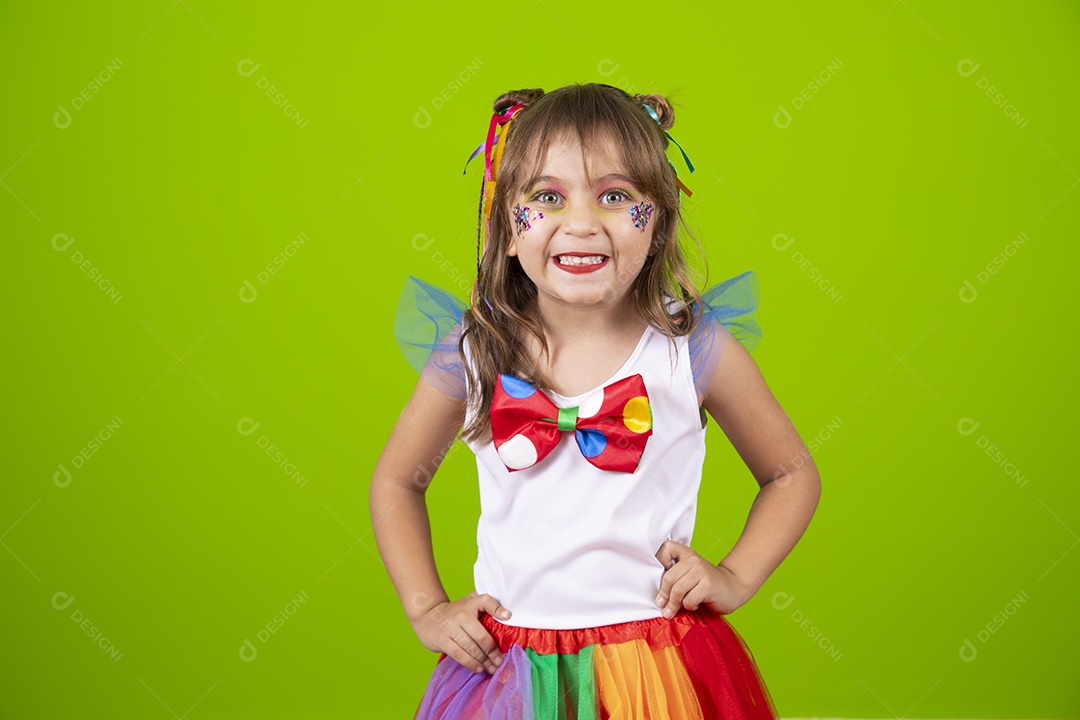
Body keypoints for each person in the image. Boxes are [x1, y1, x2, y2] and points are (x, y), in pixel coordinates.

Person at [370, 82, 821, 719]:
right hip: (511, 672)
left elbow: (790, 473)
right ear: (506, 229)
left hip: (659, 668)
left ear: (657, 221)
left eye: (615, 196)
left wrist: (735, 576)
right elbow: (396, 480)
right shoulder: (476, 350)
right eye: (547, 196)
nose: (581, 222)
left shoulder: (690, 347)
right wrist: (427, 609)